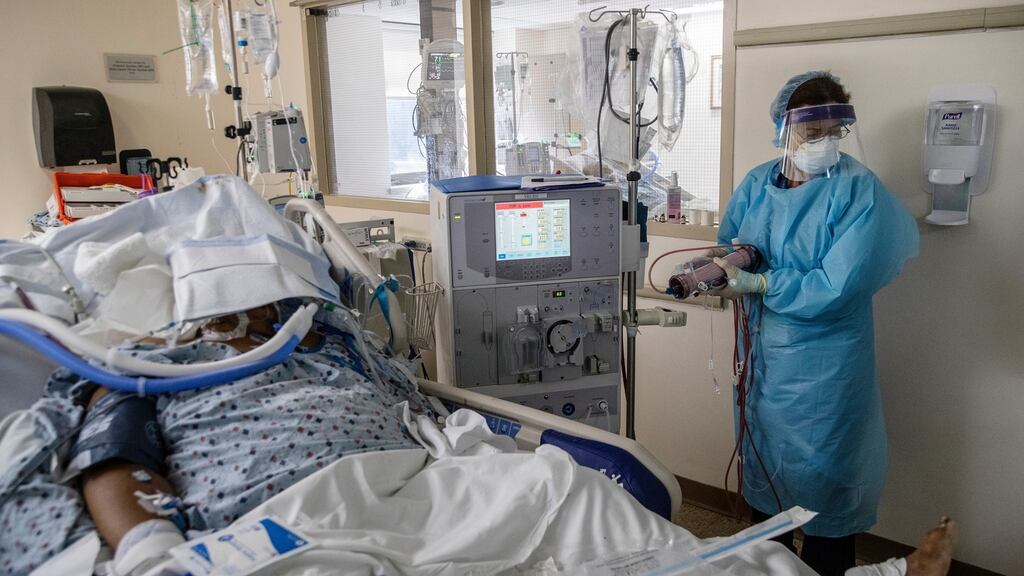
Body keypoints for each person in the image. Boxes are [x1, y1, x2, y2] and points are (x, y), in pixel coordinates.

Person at [708, 70, 920, 575]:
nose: (822, 143)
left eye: (832, 133)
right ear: (784, 128)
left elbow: (837, 284)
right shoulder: (758, 184)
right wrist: (724, 265)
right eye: (811, 132)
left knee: (826, 488)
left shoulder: (858, 192)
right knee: (765, 477)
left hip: (827, 367)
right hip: (764, 364)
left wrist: (762, 284)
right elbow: (733, 241)